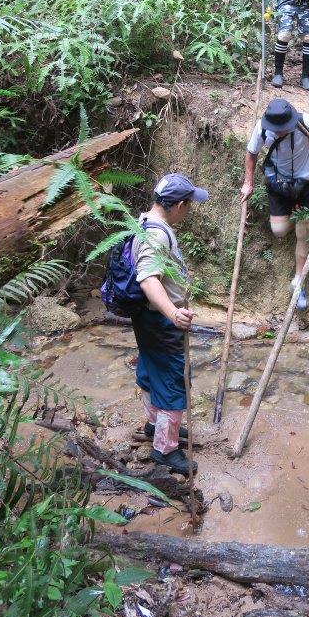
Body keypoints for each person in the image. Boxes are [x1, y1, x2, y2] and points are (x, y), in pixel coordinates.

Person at [131, 173, 210, 475]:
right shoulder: (157, 235)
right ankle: (165, 450)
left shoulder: (143, 222)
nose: (189, 210)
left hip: (147, 317)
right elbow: (148, 278)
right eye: (189, 204)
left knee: (151, 371)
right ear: (178, 205)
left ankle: (155, 425)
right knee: (174, 381)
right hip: (161, 320)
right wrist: (173, 313)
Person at [240, 98, 309, 312]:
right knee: (279, 230)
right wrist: (248, 183)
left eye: (282, 128)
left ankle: (299, 282)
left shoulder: (303, 121)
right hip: (278, 183)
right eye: (276, 129)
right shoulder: (262, 129)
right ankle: (301, 217)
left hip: (306, 182)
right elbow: (251, 153)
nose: (279, 132)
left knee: (303, 230)